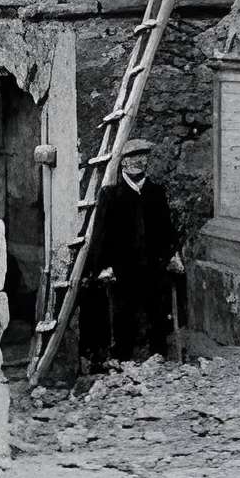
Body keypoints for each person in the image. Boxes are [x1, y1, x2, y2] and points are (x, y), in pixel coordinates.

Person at [78, 139, 181, 367]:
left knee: (157, 312)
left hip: (153, 265)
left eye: (143, 156)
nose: (138, 161)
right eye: (133, 157)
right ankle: (121, 359)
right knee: (123, 315)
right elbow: (101, 235)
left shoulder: (156, 192)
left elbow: (167, 230)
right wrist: (103, 266)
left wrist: (173, 255)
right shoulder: (111, 195)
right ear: (123, 162)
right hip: (123, 268)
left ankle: (158, 359)